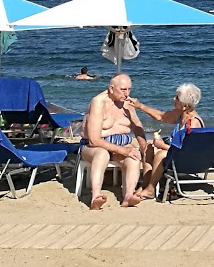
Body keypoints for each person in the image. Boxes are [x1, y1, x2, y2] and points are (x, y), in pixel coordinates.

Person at [129, 83, 206, 201]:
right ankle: (145, 185)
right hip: (176, 153)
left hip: (187, 159)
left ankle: (150, 189)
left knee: (160, 154)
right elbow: (160, 116)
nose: (173, 99)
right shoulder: (179, 115)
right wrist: (139, 106)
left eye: (177, 98)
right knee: (149, 148)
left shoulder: (194, 124)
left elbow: (186, 152)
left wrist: (162, 145)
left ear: (185, 106)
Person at [81, 73, 145, 210]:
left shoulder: (128, 103)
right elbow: (93, 140)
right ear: (111, 89)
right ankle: (96, 197)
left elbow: (137, 127)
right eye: (123, 89)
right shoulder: (99, 102)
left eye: (129, 89)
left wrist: (144, 148)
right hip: (94, 147)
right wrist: (122, 150)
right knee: (102, 154)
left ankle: (128, 196)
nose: (127, 93)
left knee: (133, 157)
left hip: (120, 144)